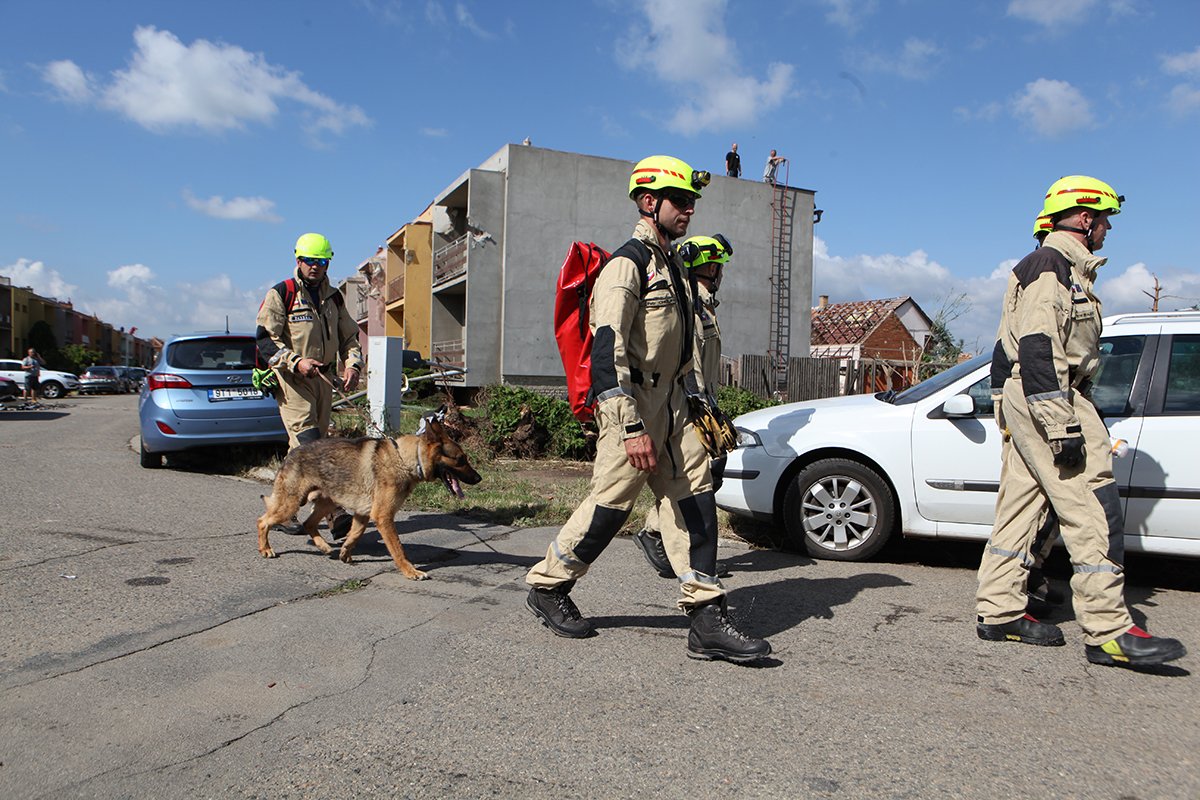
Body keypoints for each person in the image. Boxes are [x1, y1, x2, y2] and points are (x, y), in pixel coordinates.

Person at [525, 155, 771, 663]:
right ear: (648, 201)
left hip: (677, 404)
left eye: (692, 202)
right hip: (633, 405)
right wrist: (631, 426)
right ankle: (549, 584)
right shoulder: (626, 265)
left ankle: (706, 617)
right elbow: (606, 352)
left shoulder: (678, 268)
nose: (689, 211)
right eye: (680, 201)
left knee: (696, 501)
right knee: (610, 505)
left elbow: (687, 351)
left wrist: (702, 407)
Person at [977, 176, 1186, 669]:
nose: (1109, 229)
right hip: (1050, 397)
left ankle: (1001, 610)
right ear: (1086, 218)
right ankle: (1108, 631)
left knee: (1022, 507)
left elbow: (1005, 354)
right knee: (1093, 508)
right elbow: (1035, 347)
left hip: (1032, 398)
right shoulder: (1051, 267)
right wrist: (1060, 423)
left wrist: (1010, 414)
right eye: (1106, 219)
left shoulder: (1053, 268)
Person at [635, 234, 733, 578]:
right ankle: (658, 536)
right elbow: (690, 364)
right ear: (705, 266)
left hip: (703, 403)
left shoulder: (704, 305)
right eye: (717, 265)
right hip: (689, 406)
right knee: (695, 477)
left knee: (705, 475)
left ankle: (659, 534)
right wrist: (702, 408)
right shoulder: (690, 306)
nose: (720, 272)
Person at [256, 233, 364, 532]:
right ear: (297, 260)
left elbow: (350, 338)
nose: (315, 267)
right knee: (312, 444)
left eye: (321, 261)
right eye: (309, 261)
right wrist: (295, 362)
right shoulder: (282, 293)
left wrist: (353, 365)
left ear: (328, 262)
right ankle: (335, 512)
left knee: (309, 449)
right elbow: (266, 341)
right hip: (293, 381)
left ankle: (282, 506)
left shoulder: (334, 297)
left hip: (324, 380)